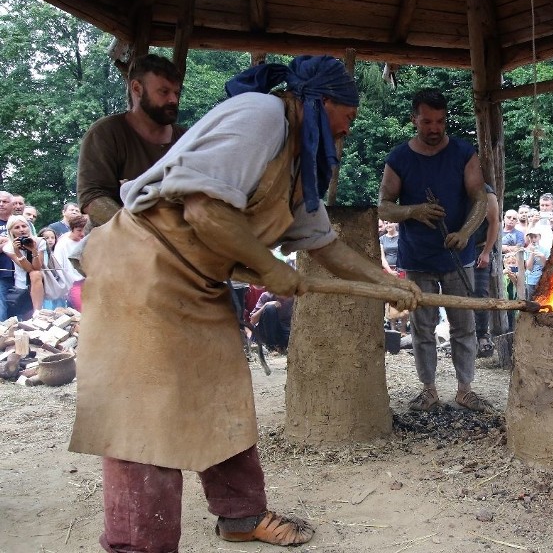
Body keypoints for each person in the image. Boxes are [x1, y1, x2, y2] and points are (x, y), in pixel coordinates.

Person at [68, 56, 420, 552]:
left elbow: (325, 246)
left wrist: (387, 284)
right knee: (142, 420)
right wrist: (272, 268)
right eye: (349, 116)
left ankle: (240, 515)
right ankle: (137, 544)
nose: (348, 128)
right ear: (322, 101)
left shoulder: (302, 156)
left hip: (199, 284)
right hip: (142, 274)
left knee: (226, 395)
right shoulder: (261, 116)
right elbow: (205, 210)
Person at [378, 87, 487, 413]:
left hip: (458, 257)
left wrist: (466, 233)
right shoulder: (399, 159)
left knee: (464, 326)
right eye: (427, 121)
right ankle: (429, 391)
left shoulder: (464, 152)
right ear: (415, 119)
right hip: (418, 258)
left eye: (440, 121)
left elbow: (481, 199)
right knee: (422, 328)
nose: (435, 128)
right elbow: (383, 207)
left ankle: (465, 390)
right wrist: (413, 211)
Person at [77, 54, 186, 226]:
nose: (173, 99)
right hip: (117, 244)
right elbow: (93, 197)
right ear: (136, 88)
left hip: (178, 237)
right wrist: (135, 231)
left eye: (176, 92)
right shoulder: (106, 133)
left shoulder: (186, 139)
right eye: (164, 92)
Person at [472, 184, 500, 357]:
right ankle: (465, 336)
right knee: (458, 294)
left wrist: (486, 252)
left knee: (480, 293)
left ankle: (482, 335)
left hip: (479, 249)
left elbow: (494, 222)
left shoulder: (485, 191)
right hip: (458, 250)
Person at [1, 214, 46, 318]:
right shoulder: (8, 247)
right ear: (11, 231)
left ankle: (38, 312)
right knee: (26, 317)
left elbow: (37, 268)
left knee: (35, 274)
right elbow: (28, 269)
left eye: (24, 226)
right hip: (22, 283)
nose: (22, 230)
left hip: (40, 281)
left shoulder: (39, 241)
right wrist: (17, 251)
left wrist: (33, 250)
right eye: (17, 227)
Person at [52, 214, 88, 311]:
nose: (82, 233)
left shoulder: (86, 241)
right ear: (72, 229)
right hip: (73, 283)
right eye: (79, 230)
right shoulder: (63, 244)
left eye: (84, 230)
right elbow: (58, 266)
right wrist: (66, 288)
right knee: (81, 309)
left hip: (88, 281)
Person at [0, 192, 16, 320]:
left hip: (21, 271)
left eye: (5, 202)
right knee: (1, 309)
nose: (1, 204)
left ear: (12, 204)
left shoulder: (20, 222)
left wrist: (7, 243)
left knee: (22, 308)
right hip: (1, 273)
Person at [524, 230, 548, 299]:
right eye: (531, 237)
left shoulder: (545, 250)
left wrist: (542, 257)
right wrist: (532, 253)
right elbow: (529, 268)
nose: (533, 239)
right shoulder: (526, 251)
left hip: (542, 280)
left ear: (539, 237)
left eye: (535, 237)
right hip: (530, 280)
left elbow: (547, 267)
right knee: (530, 302)